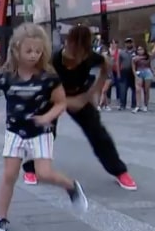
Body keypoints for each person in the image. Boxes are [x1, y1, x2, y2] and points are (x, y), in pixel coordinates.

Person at [0, 23, 88, 231]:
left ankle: (71, 186)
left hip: (40, 132)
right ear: (16, 49)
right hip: (15, 132)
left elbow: (60, 103)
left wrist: (47, 117)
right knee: (9, 175)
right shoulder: (7, 74)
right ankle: (0, 218)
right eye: (28, 51)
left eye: (38, 51)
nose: (33, 55)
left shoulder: (48, 76)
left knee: (43, 174)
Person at [20, 26, 137, 191]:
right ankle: (31, 168)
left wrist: (93, 93)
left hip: (79, 94)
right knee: (44, 132)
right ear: (67, 44)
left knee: (97, 132)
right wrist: (71, 101)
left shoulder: (90, 57)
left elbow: (105, 65)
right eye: (74, 52)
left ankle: (119, 171)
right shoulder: (53, 62)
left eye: (82, 53)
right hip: (51, 97)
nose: (77, 58)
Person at [131, 45, 154, 113]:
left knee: (146, 90)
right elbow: (133, 67)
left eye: (141, 49)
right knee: (138, 89)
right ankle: (138, 106)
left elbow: (150, 65)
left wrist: (153, 71)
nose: (140, 51)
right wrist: (135, 75)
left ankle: (145, 105)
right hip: (139, 72)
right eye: (138, 49)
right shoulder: (134, 58)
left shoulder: (147, 56)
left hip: (147, 72)